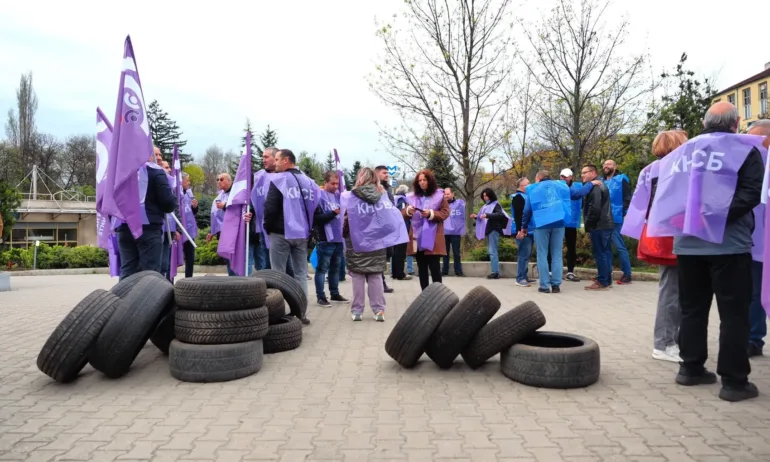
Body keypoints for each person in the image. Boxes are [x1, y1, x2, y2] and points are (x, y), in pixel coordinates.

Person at [648, 102, 764, 402]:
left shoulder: (683, 152)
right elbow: (750, 196)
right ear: (736, 123)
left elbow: (666, 194)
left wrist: (694, 217)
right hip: (729, 244)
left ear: (705, 122)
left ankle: (691, 368)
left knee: (692, 309)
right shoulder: (744, 150)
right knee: (734, 314)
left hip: (688, 244)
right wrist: (715, 215)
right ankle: (735, 382)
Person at [625, 131, 688, 362]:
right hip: (674, 233)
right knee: (672, 289)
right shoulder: (677, 168)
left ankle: (669, 340)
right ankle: (665, 343)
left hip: (655, 231)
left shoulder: (649, 170)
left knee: (671, 287)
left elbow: (640, 205)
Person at [264, 149, 320, 326]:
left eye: (278, 160)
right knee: (301, 274)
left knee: (277, 274)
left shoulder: (279, 180)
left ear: (286, 161)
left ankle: (279, 313)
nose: (275, 163)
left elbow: (270, 207)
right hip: (302, 233)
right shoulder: (309, 181)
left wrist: (267, 227)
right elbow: (315, 206)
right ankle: (301, 313)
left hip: (281, 232)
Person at [343, 168, 396, 322]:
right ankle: (379, 310)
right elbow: (389, 218)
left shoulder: (351, 196)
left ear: (360, 178)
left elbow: (347, 219)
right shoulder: (383, 195)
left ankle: (357, 311)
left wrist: (344, 234)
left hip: (356, 241)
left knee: (358, 275)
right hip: (376, 241)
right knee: (375, 275)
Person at [116, 146, 177, 279]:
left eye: (160, 154)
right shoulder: (156, 172)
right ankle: (146, 300)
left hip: (125, 227)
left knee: (128, 270)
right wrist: (173, 199)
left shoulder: (120, 172)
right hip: (148, 229)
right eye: (155, 154)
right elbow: (168, 204)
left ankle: (124, 299)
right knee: (149, 274)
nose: (159, 157)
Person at [521, 170, 571, 294]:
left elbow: (527, 210)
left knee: (542, 254)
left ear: (538, 178)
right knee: (557, 254)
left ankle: (544, 285)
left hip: (541, 224)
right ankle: (556, 285)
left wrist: (524, 226)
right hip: (559, 223)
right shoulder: (560, 185)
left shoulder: (534, 189)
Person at [403, 170, 449, 290]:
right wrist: (409, 211)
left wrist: (431, 213)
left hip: (433, 237)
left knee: (435, 268)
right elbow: (403, 213)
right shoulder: (413, 197)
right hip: (417, 237)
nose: (422, 182)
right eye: (420, 180)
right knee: (421, 268)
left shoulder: (439, 195)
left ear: (430, 181)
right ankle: (425, 294)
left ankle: (438, 294)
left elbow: (445, 213)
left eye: (424, 180)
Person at [747, 120, 770, 358]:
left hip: (762, 241)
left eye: (752, 138)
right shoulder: (749, 163)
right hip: (753, 241)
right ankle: (753, 338)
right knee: (753, 292)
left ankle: (753, 337)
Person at [313, 171, 349, 307]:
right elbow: (317, 219)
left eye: (337, 184)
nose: (335, 186)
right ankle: (320, 297)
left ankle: (335, 293)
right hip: (325, 239)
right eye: (332, 183)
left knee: (335, 268)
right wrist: (333, 213)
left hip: (338, 238)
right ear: (325, 183)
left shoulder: (339, 196)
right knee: (322, 269)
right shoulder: (319, 197)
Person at [580, 165, 614, 290]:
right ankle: (607, 279)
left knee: (600, 253)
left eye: (585, 172)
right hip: (605, 223)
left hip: (599, 225)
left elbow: (595, 208)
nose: (582, 175)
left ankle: (602, 281)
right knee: (605, 252)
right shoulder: (599, 185)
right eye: (581, 173)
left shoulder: (595, 188)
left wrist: (588, 224)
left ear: (593, 172)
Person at [558, 169, 595, 282]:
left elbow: (582, 198)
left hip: (571, 222)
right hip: (559, 222)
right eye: (562, 177)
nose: (564, 179)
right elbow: (577, 195)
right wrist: (591, 183)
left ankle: (570, 272)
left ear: (571, 177)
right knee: (555, 248)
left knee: (571, 248)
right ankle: (552, 272)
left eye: (566, 177)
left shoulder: (578, 186)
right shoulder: (558, 187)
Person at [602, 159, 632, 284]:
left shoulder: (621, 179)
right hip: (603, 218)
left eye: (608, 164)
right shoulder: (602, 181)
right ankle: (607, 273)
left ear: (615, 166)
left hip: (616, 217)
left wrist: (624, 212)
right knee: (606, 247)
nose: (605, 166)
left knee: (619, 246)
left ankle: (627, 274)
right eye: (604, 165)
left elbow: (627, 197)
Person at [471, 188, 510, 279]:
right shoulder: (485, 206)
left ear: (491, 195)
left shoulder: (496, 205)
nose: (485, 197)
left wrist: (488, 215)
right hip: (488, 230)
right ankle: (494, 271)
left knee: (492, 251)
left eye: (486, 195)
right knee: (491, 251)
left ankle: (495, 272)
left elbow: (500, 215)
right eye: (483, 196)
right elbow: (483, 218)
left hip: (493, 229)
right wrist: (476, 217)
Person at [374, 166, 395, 293]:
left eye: (387, 173)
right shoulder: (374, 188)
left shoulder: (388, 188)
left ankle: (380, 281)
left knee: (387, 254)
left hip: (387, 227)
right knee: (379, 256)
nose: (387, 175)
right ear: (377, 174)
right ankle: (380, 283)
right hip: (376, 228)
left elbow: (391, 204)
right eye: (384, 173)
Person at [511, 178, 533, 286]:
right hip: (522, 231)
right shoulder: (518, 197)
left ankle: (524, 276)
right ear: (521, 186)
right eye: (528, 183)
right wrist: (520, 230)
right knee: (523, 254)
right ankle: (520, 278)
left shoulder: (526, 196)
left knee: (527, 254)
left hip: (528, 230)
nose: (530, 184)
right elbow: (518, 215)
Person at [391, 184, 413, 280]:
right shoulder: (402, 200)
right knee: (401, 252)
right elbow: (403, 213)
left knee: (395, 252)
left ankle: (394, 273)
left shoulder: (393, 198)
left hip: (393, 228)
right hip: (402, 228)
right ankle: (400, 274)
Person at [442, 187, 465, 277]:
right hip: (445, 232)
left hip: (455, 232)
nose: (446, 196)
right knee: (445, 253)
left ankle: (458, 271)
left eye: (448, 194)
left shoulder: (459, 204)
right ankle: (444, 271)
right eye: (445, 194)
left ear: (452, 194)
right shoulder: (441, 205)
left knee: (456, 252)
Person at [180, 172, 198, 278]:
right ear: (180, 181)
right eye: (187, 180)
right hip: (178, 229)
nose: (189, 183)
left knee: (190, 257)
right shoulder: (175, 193)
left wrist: (195, 207)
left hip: (189, 230)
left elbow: (192, 213)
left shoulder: (189, 193)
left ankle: (188, 280)